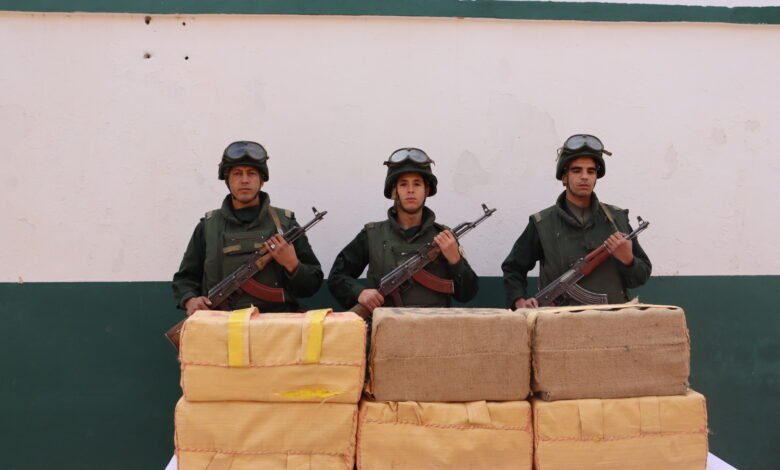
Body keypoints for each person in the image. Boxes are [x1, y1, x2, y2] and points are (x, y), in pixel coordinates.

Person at [172, 140, 323, 315]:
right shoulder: (208, 227)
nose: (244, 180)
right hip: (220, 323)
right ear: (227, 181)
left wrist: (292, 264)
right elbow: (185, 279)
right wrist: (190, 299)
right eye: (237, 174)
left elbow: (311, 285)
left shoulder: (285, 224)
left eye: (251, 173)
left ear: (261, 181)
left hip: (277, 323)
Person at [502, 134, 651, 308]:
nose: (585, 177)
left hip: (612, 319)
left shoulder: (616, 219)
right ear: (564, 177)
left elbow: (640, 277)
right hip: (558, 320)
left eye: (591, 171)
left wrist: (628, 260)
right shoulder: (543, 223)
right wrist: (519, 300)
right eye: (576, 170)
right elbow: (513, 268)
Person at [328, 147, 479, 314]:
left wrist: (455, 260)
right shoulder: (372, 235)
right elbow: (337, 277)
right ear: (395, 191)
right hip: (384, 327)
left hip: (435, 327)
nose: (410, 190)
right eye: (403, 184)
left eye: (417, 184)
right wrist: (359, 292)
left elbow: (467, 294)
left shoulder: (444, 237)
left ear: (427, 190)